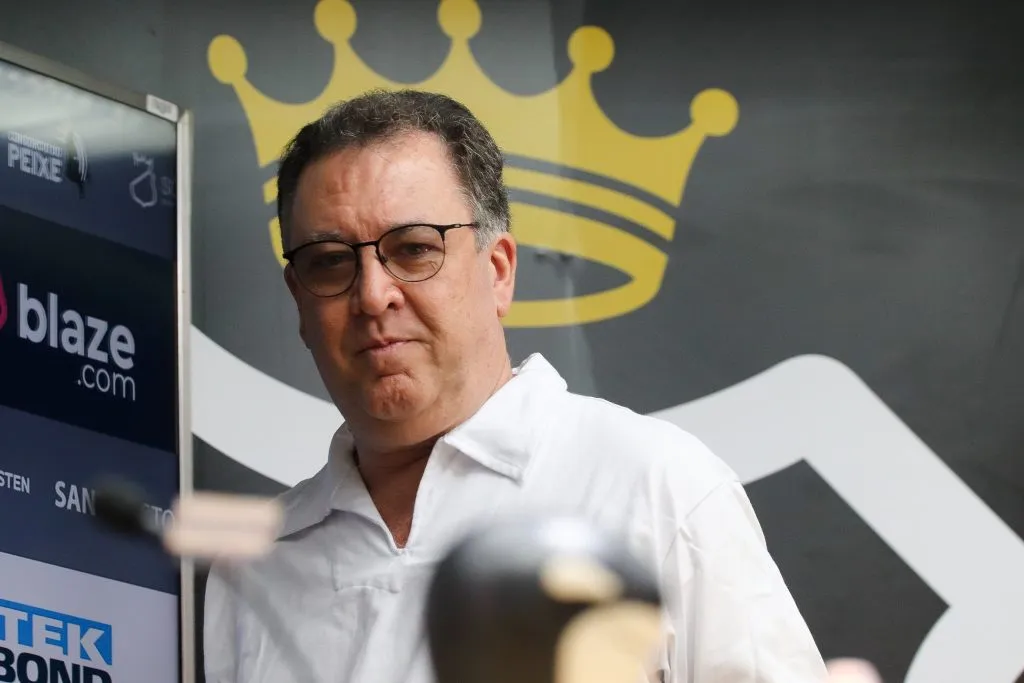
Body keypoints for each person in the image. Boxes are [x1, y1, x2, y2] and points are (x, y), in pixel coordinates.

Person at [202, 88, 828, 683]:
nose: (372, 295)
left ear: (498, 272)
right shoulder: (255, 568)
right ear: (299, 302)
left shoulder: (653, 486)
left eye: (414, 249)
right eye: (331, 262)